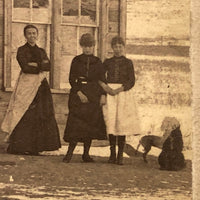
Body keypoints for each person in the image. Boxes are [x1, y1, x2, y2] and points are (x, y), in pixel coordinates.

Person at [1, 24, 61, 155]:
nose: (32, 36)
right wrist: (39, 65)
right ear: (25, 35)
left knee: (40, 113)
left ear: (37, 35)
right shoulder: (22, 50)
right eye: (29, 33)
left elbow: (48, 66)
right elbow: (25, 67)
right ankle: (21, 146)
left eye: (34, 33)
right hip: (26, 84)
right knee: (24, 112)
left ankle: (38, 147)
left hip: (41, 86)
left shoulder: (41, 51)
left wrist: (35, 65)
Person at [63, 33, 107, 163]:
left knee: (90, 125)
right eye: (85, 46)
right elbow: (71, 78)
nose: (87, 49)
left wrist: (103, 95)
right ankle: (69, 153)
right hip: (78, 94)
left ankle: (86, 154)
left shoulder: (98, 62)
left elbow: (102, 79)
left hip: (93, 95)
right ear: (81, 46)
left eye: (90, 46)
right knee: (75, 125)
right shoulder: (76, 60)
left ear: (93, 46)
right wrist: (79, 93)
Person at [99, 36, 140, 165]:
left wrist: (120, 89)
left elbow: (131, 81)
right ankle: (112, 154)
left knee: (121, 123)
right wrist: (106, 90)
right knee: (111, 122)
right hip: (110, 92)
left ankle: (120, 155)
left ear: (123, 47)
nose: (117, 49)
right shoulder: (107, 62)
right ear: (112, 48)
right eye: (115, 47)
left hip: (123, 94)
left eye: (120, 46)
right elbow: (100, 77)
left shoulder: (128, 62)